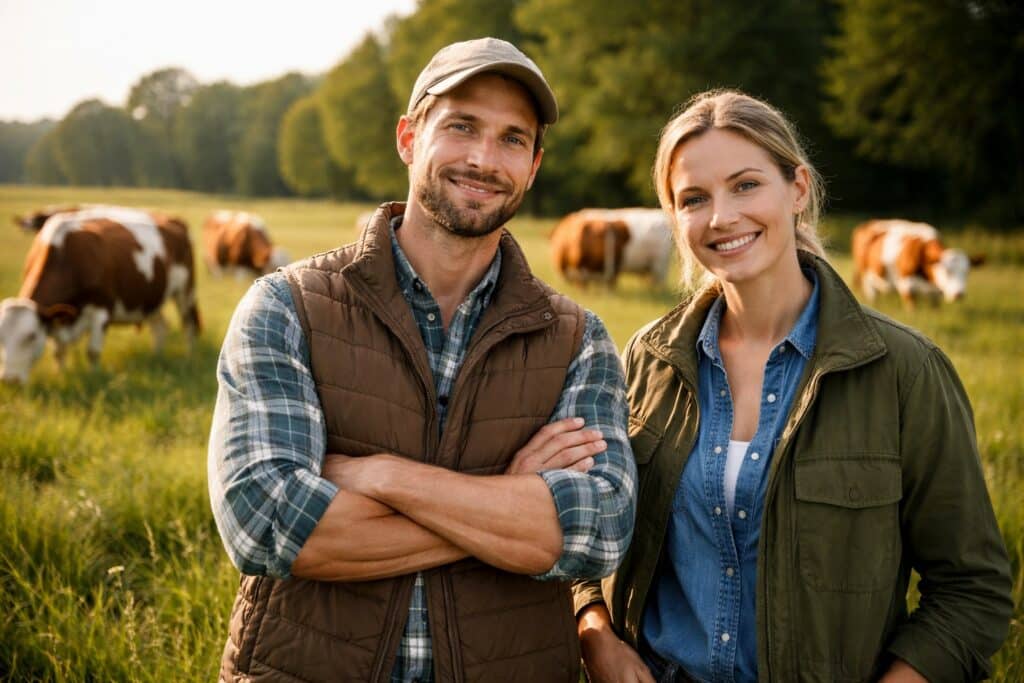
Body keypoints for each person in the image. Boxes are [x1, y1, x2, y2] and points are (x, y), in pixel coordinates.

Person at [207, 38, 637, 682]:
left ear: (534, 165)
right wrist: (513, 506)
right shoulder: (285, 307)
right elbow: (266, 524)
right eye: (461, 126)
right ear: (409, 137)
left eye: (512, 139)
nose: (484, 159)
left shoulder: (579, 338)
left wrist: (382, 477)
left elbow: (596, 533)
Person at [573, 90, 1013, 683]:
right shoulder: (647, 361)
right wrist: (595, 632)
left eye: (746, 185)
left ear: (798, 189)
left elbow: (971, 591)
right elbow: (588, 539)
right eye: (694, 198)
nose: (722, 216)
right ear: (675, 217)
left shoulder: (907, 370)